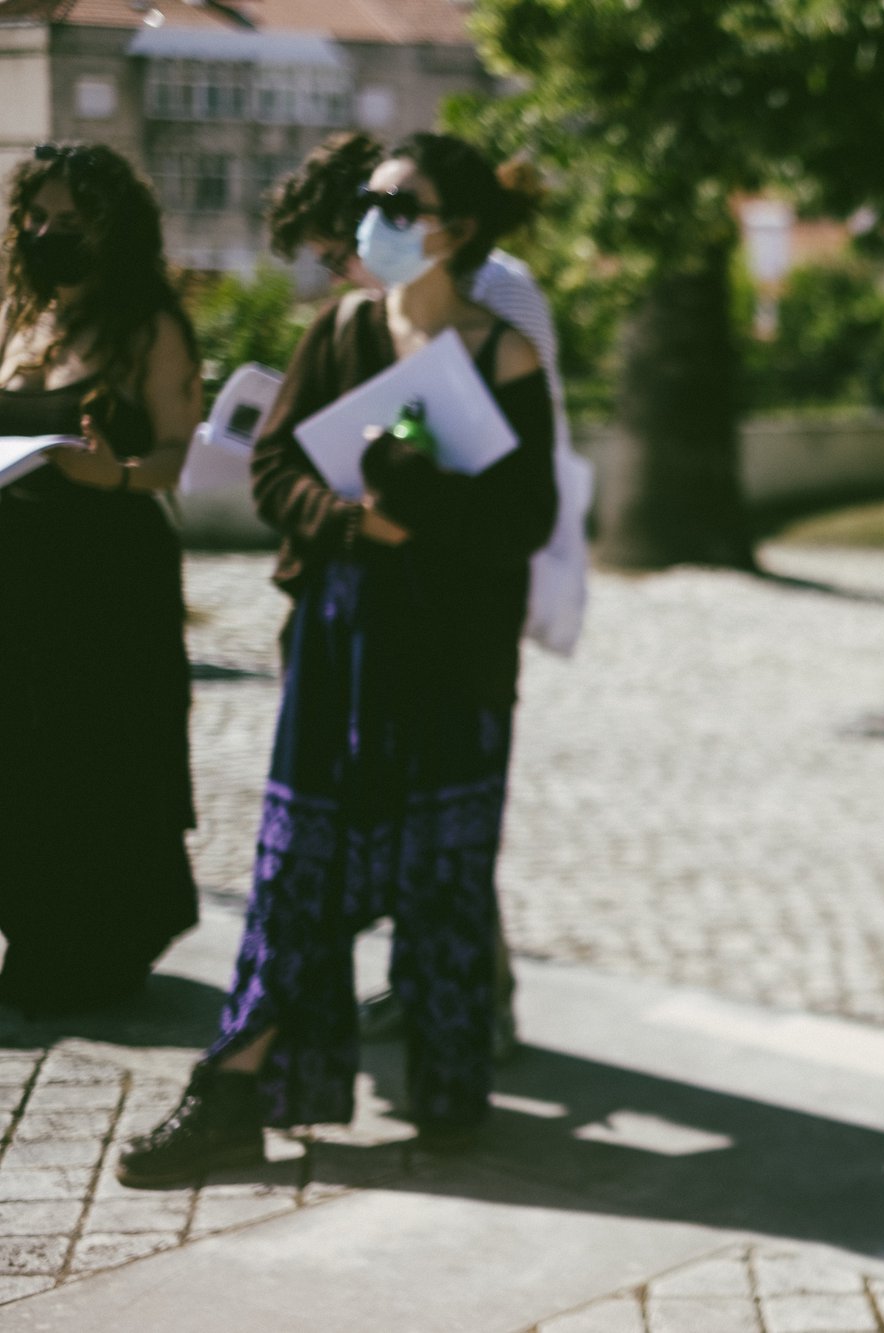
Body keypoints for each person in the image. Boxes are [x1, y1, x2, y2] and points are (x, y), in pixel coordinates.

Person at [117, 132, 555, 1186]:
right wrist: (355, 523)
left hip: (451, 660)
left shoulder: (505, 356)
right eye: (370, 202)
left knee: (442, 874)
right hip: (340, 639)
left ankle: (450, 1087)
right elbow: (272, 467)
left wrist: (424, 502)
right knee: (298, 874)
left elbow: (524, 517)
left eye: (397, 204)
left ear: (453, 230)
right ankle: (235, 1089)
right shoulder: (342, 328)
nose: (371, 221)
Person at [265, 130, 592, 1059]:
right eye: (341, 248)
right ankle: (378, 997)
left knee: (444, 813)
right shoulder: (350, 322)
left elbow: (531, 457)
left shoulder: (504, 307)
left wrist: (419, 495)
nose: (359, 252)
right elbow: (287, 452)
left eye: (380, 219)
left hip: (454, 595)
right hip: (348, 593)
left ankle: (465, 1002)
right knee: (349, 812)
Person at [0, 143, 202, 1015]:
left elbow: (171, 458)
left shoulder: (150, 325)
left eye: (70, 223)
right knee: (25, 759)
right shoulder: (21, 319)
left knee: (104, 755)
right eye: (37, 220)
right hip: (19, 576)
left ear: (113, 231)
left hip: (111, 579)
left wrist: (109, 473)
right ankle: (36, 932)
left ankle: (108, 940)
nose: (48, 234)